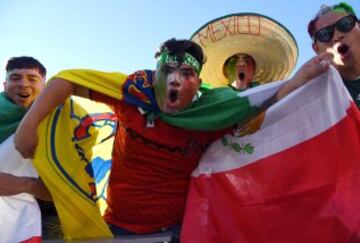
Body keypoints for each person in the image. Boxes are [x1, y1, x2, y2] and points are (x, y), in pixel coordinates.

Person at [14, 38, 331, 242]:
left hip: (180, 230)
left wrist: (303, 77)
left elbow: (269, 104)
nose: (176, 79)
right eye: (167, 70)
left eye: (186, 73)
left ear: (198, 83)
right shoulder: (133, 92)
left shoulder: (215, 111)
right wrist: (28, 125)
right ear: (155, 75)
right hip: (117, 227)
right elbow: (67, 80)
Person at [0, 56, 63, 239]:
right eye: (15, 78)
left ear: (45, 86)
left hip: (49, 220)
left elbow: (73, 188)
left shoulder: (61, 121)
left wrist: (25, 185)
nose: (23, 84)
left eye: (32, 78)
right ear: (5, 85)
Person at [190, 13, 299, 90]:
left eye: (247, 60)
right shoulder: (212, 99)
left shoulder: (266, 96)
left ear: (254, 70)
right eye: (235, 60)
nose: (241, 64)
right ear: (225, 70)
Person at [308, 2, 360, 108]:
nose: (337, 36)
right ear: (316, 48)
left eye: (345, 24)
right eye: (325, 34)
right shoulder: (318, 99)